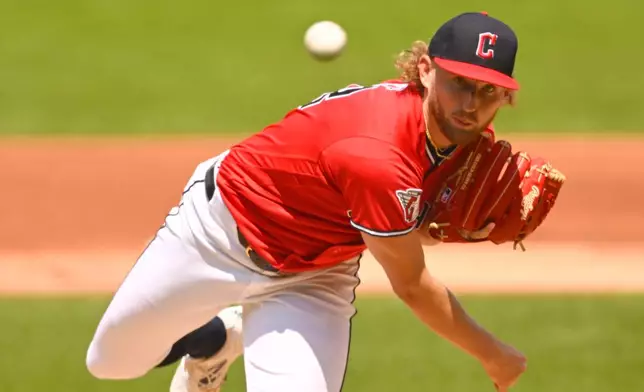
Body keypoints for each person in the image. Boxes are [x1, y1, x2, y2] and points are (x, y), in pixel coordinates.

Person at [86, 11, 527, 392]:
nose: (470, 105)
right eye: (459, 83)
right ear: (427, 71)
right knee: (111, 363)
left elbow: (402, 222)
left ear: (507, 96)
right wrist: (493, 354)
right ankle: (217, 339)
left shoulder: (467, 144)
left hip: (314, 275)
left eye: (487, 90)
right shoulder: (378, 152)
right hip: (217, 235)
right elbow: (412, 285)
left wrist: (433, 225)